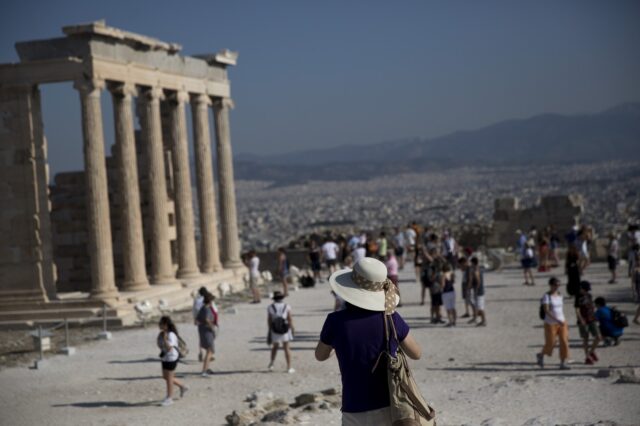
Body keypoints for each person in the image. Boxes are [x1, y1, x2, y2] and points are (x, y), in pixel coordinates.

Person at [315, 257, 422, 424]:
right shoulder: (391, 318)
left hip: (354, 407)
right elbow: (416, 353)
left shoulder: (335, 321)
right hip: (390, 405)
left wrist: (338, 344)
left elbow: (320, 355)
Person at [536, 277, 570, 370]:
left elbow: (560, 309)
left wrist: (563, 320)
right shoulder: (546, 296)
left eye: (558, 285)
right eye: (555, 285)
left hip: (562, 321)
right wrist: (556, 319)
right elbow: (546, 310)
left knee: (564, 341)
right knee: (551, 343)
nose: (557, 287)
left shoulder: (560, 295)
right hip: (550, 323)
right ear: (550, 285)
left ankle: (563, 362)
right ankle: (541, 355)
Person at [157, 316, 188, 406]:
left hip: (171, 358)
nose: (159, 325)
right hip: (164, 357)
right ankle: (183, 386)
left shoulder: (171, 334)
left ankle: (169, 398)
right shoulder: (162, 333)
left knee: (169, 379)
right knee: (165, 376)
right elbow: (160, 346)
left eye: (161, 323)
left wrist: (165, 339)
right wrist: (160, 340)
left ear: (166, 325)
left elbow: (169, 348)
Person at [267, 291, 295, 373]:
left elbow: (269, 320)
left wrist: (270, 329)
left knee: (275, 347)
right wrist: (292, 328)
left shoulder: (270, 307)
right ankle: (289, 367)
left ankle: (271, 364)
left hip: (275, 329)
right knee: (286, 348)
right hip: (284, 329)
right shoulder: (287, 306)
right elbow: (289, 319)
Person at [574, 281, 601, 364]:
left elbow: (591, 306)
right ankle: (587, 357)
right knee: (586, 339)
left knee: (598, 337)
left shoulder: (589, 295)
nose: (586, 291)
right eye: (585, 289)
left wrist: (595, 315)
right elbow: (577, 310)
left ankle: (591, 352)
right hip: (583, 320)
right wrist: (581, 319)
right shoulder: (578, 297)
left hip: (591, 319)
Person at [196, 292, 218, 377]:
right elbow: (206, 319)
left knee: (209, 350)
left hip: (203, 330)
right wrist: (212, 327)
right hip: (207, 331)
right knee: (210, 350)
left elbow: (197, 319)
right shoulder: (207, 309)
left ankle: (207, 368)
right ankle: (204, 370)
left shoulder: (202, 308)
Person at [192, 286, 210, 362]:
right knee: (209, 337)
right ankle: (208, 353)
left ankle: (201, 352)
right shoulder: (207, 299)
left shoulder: (196, 300)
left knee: (201, 337)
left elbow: (194, 310)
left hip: (199, 320)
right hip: (207, 320)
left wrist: (195, 319)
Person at [469, 257, 486, 326]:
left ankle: (483, 321)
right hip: (481, 290)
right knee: (479, 307)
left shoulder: (475, 270)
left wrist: (476, 289)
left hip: (479, 291)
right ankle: (482, 320)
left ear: (473, 263)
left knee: (480, 307)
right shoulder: (480, 269)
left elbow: (478, 281)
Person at [633, 253, 640, 325]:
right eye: (637, 260)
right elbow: (633, 282)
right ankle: (635, 319)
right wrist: (633, 292)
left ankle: (635, 318)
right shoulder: (635, 270)